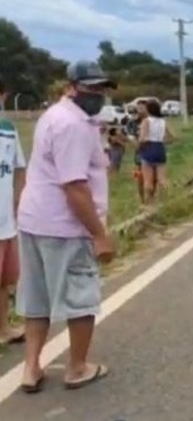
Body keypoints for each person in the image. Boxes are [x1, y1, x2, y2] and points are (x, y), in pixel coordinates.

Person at [15, 60, 117, 393]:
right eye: (90, 88)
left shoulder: (53, 116)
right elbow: (74, 186)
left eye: (101, 88)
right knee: (81, 297)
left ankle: (31, 368)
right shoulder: (74, 126)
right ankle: (77, 367)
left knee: (36, 298)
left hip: (34, 220)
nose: (97, 95)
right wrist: (99, 235)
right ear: (70, 87)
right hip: (65, 226)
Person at [0, 80, 27, 346]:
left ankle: (3, 328)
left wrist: (19, 201)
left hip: (7, 219)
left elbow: (19, 168)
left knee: (5, 280)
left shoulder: (8, 130)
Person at [138, 100, 176, 204]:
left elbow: (142, 138)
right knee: (162, 179)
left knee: (148, 181)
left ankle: (149, 202)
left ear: (149, 109)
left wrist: (139, 146)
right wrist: (164, 142)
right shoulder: (163, 121)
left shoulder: (146, 121)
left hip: (149, 148)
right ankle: (165, 201)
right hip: (160, 148)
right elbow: (173, 136)